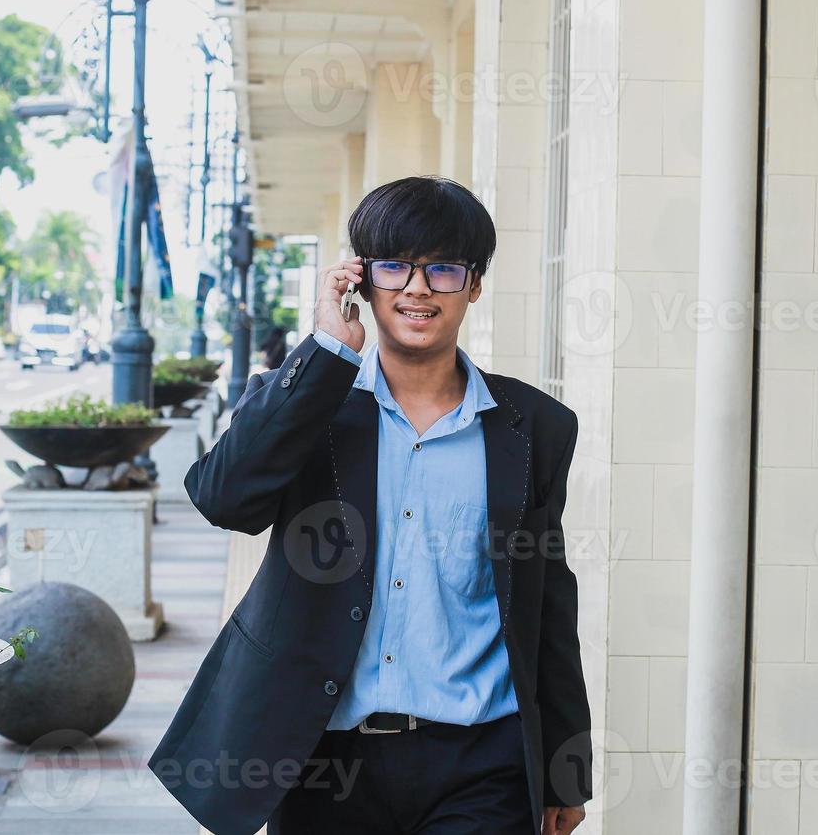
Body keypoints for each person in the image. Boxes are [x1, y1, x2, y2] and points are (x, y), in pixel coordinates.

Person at [150, 176, 591, 835]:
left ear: (472, 285)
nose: (417, 288)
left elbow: (547, 600)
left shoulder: (533, 427)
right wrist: (327, 349)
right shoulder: (311, 406)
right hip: (325, 757)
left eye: (443, 268)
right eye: (395, 267)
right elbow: (222, 499)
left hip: (482, 759)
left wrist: (565, 769)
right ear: (361, 280)